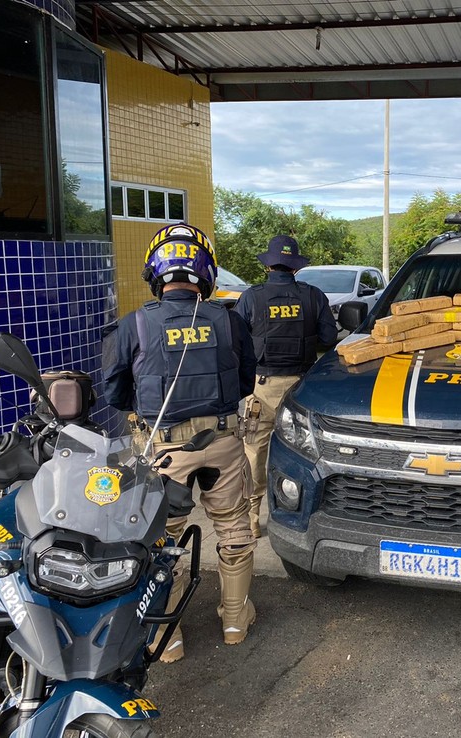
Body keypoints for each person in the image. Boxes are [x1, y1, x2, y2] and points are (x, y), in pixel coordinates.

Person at [102, 222, 257, 663]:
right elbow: (246, 379)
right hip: (224, 442)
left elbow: (114, 392)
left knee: (159, 538)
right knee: (233, 528)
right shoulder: (230, 320)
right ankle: (234, 619)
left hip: (162, 450)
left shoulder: (133, 325)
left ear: (157, 270)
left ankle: (165, 639)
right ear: (204, 271)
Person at [233, 235, 337, 538]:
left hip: (261, 388)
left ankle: (252, 519)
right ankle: (301, 513)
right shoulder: (313, 296)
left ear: (268, 265)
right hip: (301, 388)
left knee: (254, 453)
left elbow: (236, 343)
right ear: (295, 266)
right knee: (303, 452)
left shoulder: (251, 298)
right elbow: (329, 339)